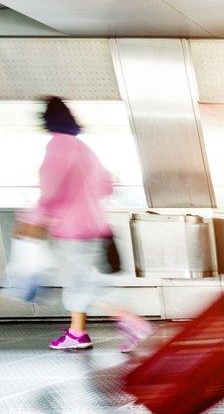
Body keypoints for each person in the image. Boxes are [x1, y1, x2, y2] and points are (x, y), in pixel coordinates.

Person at [18, 96, 152, 352]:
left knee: (83, 283)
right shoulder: (85, 149)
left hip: (71, 230)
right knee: (79, 280)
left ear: (47, 121)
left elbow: (50, 190)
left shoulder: (56, 147)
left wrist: (33, 219)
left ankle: (130, 321)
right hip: (96, 226)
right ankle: (76, 333)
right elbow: (106, 186)